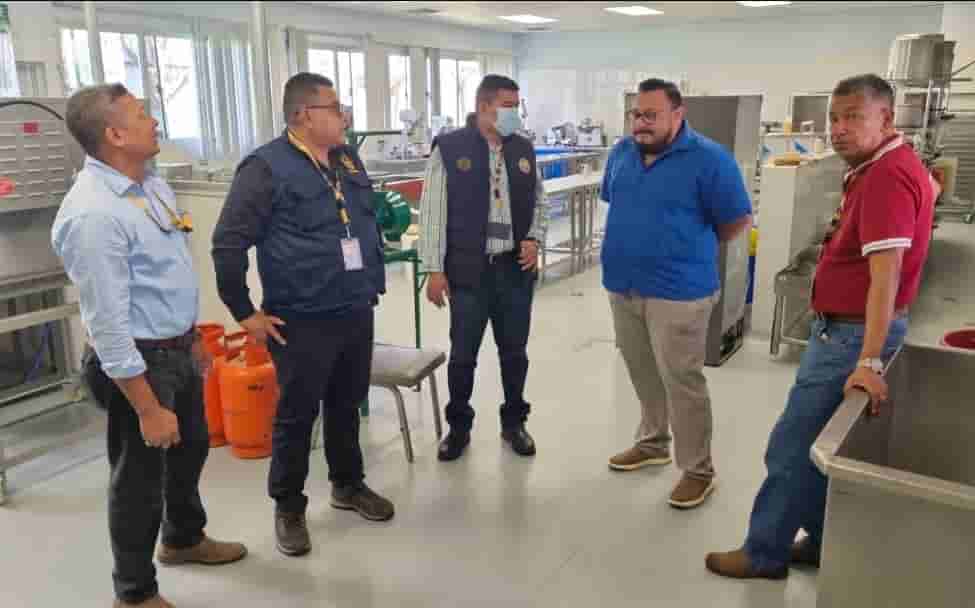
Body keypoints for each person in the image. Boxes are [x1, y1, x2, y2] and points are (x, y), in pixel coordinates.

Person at [706, 74, 937, 579]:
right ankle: (822, 540)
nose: (839, 128)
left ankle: (763, 553)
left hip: (851, 338)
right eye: (834, 117)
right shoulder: (879, 167)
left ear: (886, 119)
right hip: (845, 332)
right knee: (814, 449)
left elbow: (886, 277)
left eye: (854, 117)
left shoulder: (887, 176)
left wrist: (868, 360)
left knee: (789, 449)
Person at [52, 84, 247, 608]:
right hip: (137, 363)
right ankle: (134, 593)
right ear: (115, 135)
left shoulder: (150, 186)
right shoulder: (94, 214)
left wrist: (193, 335)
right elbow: (108, 326)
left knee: (190, 449)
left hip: (175, 348)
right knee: (139, 481)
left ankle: (183, 538)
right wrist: (146, 407)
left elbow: (168, 273)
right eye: (142, 115)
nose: (154, 121)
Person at [212, 73, 393, 558]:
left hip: (355, 304)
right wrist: (244, 312)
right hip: (302, 315)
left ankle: (347, 484)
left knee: (347, 402)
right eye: (334, 107)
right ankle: (288, 506)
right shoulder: (265, 168)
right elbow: (228, 243)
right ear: (302, 116)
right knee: (296, 414)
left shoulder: (346, 158)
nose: (344, 115)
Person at [600, 78, 752, 509]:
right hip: (623, 285)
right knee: (642, 371)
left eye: (652, 115)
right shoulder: (622, 152)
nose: (641, 123)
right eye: (636, 114)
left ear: (678, 115)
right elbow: (616, 201)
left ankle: (698, 470)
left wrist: (686, 248)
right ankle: (652, 443)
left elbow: (737, 220)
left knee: (682, 380)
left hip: (679, 292)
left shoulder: (710, 159)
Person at [419, 74, 546, 461]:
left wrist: (534, 238)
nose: (514, 114)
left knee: (515, 353)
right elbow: (433, 214)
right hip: (469, 271)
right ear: (483, 106)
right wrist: (433, 269)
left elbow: (539, 202)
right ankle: (459, 428)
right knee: (463, 356)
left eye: (516, 106)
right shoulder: (449, 149)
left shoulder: (523, 149)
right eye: (508, 106)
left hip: (514, 270)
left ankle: (514, 423)